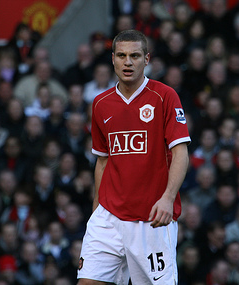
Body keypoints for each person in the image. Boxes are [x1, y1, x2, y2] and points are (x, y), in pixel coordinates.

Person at [77, 30, 190, 284]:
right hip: (108, 217)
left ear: (146, 59)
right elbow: (103, 160)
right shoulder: (100, 103)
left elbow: (180, 153)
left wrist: (168, 199)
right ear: (113, 59)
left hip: (152, 219)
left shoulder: (165, 96)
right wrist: (96, 211)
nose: (128, 62)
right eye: (122, 56)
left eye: (135, 56)